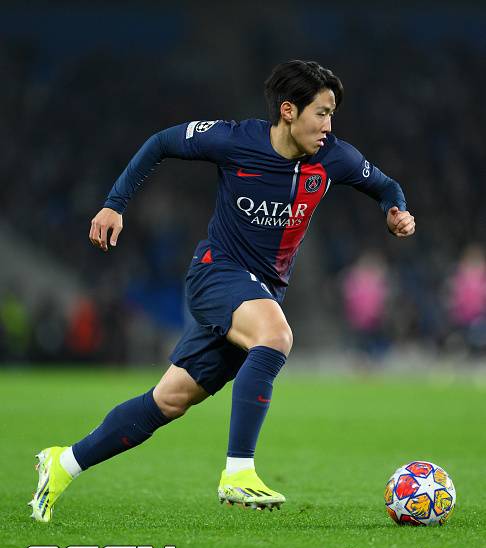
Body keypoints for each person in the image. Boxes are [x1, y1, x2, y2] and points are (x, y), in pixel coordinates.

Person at [30, 60, 415, 522]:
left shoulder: (335, 157)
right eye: (321, 113)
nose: (329, 126)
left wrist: (396, 211)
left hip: (260, 291)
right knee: (276, 336)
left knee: (168, 401)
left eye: (332, 114)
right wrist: (114, 204)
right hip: (217, 273)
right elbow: (161, 142)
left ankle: (63, 463)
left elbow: (386, 185)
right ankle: (239, 471)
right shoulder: (235, 140)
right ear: (288, 111)